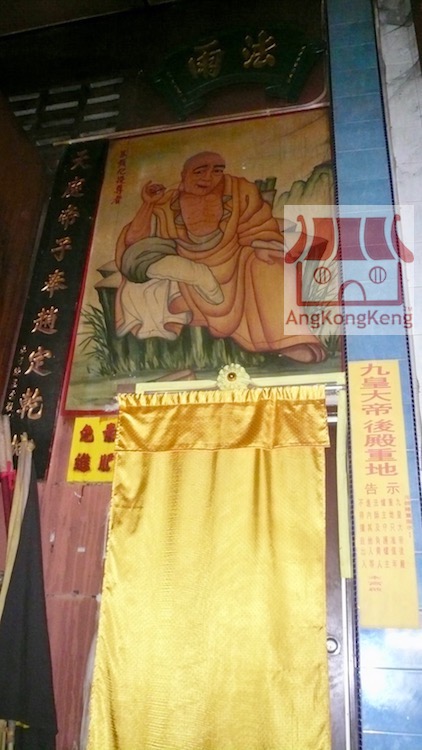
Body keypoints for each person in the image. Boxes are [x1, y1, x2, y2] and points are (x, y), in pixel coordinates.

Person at [114, 151, 326, 363]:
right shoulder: (166, 203)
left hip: (236, 259)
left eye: (216, 171)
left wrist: (261, 243)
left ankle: (289, 340)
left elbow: (257, 224)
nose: (208, 178)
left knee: (268, 265)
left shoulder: (240, 191)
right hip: (188, 266)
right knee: (169, 281)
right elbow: (135, 241)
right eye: (199, 172)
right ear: (184, 174)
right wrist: (148, 204)